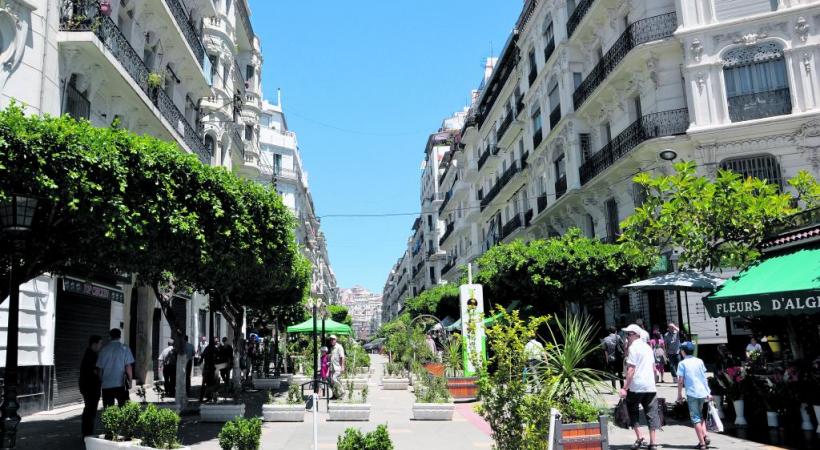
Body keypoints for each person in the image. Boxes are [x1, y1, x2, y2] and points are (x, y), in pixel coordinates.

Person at [619, 324, 660, 450]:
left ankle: (639, 437)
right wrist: (653, 382)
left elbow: (631, 370)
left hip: (636, 386)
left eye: (629, 334)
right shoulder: (648, 347)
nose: (627, 337)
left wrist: (624, 388)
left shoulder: (633, 348)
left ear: (636, 335)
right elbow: (654, 369)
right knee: (651, 413)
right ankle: (653, 443)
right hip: (650, 386)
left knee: (632, 410)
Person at [676, 341, 712, 450]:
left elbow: (681, 380)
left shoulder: (682, 363)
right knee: (700, 415)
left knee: (695, 418)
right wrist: (708, 392)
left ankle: (702, 443)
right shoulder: (699, 361)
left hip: (692, 393)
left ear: (683, 351)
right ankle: (705, 435)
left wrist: (679, 395)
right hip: (702, 392)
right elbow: (703, 377)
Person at [96, 328, 134, 408]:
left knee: (108, 411)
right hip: (120, 384)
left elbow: (100, 370)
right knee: (123, 409)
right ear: (120, 336)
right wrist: (130, 381)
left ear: (110, 336)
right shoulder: (125, 348)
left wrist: (101, 382)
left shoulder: (104, 350)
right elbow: (128, 367)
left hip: (106, 385)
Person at [80, 335, 102, 437]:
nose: (100, 346)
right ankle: (87, 433)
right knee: (90, 410)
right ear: (94, 344)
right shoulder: (92, 356)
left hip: (87, 386)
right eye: (100, 344)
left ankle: (86, 432)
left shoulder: (89, 354)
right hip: (91, 387)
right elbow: (94, 372)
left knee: (89, 409)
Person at [200, 336, 220, 402]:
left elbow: (202, 357)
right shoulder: (212, 349)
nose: (216, 343)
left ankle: (209, 397)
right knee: (211, 383)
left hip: (211, 368)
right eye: (216, 342)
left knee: (208, 383)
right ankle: (210, 397)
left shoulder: (208, 348)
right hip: (209, 368)